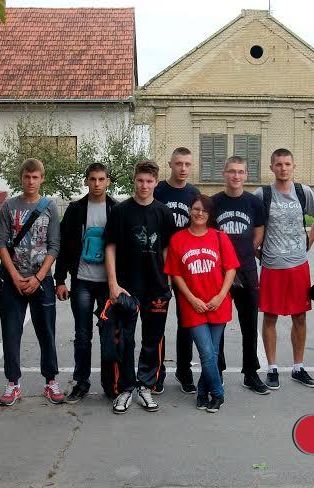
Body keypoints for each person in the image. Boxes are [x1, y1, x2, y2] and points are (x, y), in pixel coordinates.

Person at [104, 160, 176, 414]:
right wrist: (113, 284)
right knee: (124, 340)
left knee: (152, 339)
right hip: (126, 288)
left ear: (156, 182)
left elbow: (167, 250)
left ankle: (146, 385)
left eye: (149, 181)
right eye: (140, 180)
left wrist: (168, 282)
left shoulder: (164, 213)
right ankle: (125, 388)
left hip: (156, 286)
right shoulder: (120, 211)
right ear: (134, 180)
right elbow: (110, 247)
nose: (144, 185)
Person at [253, 148, 314, 390]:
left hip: (298, 265)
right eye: (279, 164)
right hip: (272, 265)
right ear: (271, 167)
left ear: (294, 166)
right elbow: (251, 225)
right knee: (270, 317)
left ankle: (298, 367)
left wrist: (307, 244)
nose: (283, 168)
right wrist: (256, 250)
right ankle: (272, 368)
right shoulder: (262, 194)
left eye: (287, 164)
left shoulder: (304, 192)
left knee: (300, 317)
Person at [0, 159, 62, 406]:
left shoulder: (49, 207)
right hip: (13, 280)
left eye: (35, 177)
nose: (31, 181)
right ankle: (13, 383)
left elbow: (54, 246)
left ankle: (51, 381)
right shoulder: (9, 206)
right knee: (11, 332)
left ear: (42, 178)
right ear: (21, 177)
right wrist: (14, 276)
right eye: (27, 177)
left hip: (41, 281)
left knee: (47, 332)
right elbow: (0, 243)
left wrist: (38, 277)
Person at [165, 194, 240, 412]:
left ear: (210, 214)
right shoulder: (178, 239)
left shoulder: (219, 237)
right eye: (196, 209)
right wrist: (191, 298)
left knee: (212, 353)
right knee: (206, 352)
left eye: (204, 211)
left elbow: (231, 269)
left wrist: (220, 296)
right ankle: (217, 393)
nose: (200, 213)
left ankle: (202, 390)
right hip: (192, 304)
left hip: (218, 303)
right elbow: (175, 274)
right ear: (190, 211)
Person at [55, 162, 117, 404]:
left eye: (101, 179)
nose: (97, 184)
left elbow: (123, 248)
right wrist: (60, 280)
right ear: (86, 181)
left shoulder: (116, 209)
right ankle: (81, 383)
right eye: (92, 179)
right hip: (82, 281)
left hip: (107, 284)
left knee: (108, 335)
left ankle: (110, 385)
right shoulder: (76, 209)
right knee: (82, 336)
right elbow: (64, 246)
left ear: (108, 181)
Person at [211, 156, 269, 395]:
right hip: (219, 272)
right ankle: (217, 370)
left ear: (246, 175)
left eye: (240, 172)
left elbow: (259, 231)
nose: (236, 176)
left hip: (246, 270)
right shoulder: (213, 203)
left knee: (249, 323)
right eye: (232, 171)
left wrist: (245, 252)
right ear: (224, 173)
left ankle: (250, 372)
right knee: (218, 324)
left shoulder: (254, 203)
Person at [153, 147, 200, 394]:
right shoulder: (158, 190)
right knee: (157, 322)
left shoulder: (194, 194)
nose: (183, 168)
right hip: (158, 265)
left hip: (186, 267)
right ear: (170, 164)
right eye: (179, 163)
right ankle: (157, 372)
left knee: (187, 323)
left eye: (187, 164)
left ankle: (184, 371)